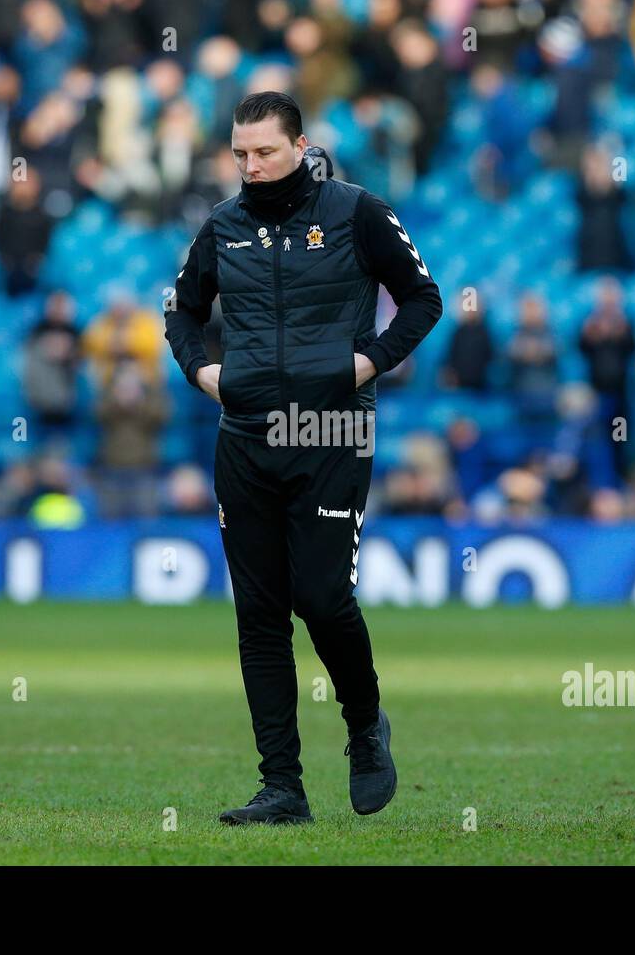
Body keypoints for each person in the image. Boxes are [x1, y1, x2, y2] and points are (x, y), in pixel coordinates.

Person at [164, 91, 442, 824]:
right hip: (246, 435)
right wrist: (203, 373)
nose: (251, 167)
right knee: (259, 615)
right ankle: (282, 787)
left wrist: (367, 363)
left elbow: (422, 298)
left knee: (321, 598)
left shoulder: (358, 212)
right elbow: (181, 312)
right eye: (240, 155)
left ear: (301, 145)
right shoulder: (221, 228)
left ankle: (363, 727)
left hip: (329, 431)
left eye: (265, 152)